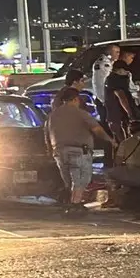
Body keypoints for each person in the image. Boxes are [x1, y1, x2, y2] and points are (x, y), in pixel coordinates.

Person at [44, 86, 115, 214]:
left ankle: (72, 201)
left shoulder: (53, 115)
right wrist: (111, 141)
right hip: (78, 151)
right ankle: (75, 204)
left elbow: (47, 134)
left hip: (59, 152)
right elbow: (97, 129)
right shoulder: (80, 113)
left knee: (69, 180)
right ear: (76, 99)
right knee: (81, 179)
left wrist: (50, 151)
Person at [105, 48, 138, 141]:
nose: (126, 73)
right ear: (118, 70)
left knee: (125, 137)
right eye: (124, 71)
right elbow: (121, 96)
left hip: (120, 115)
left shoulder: (120, 78)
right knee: (122, 140)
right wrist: (130, 113)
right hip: (116, 114)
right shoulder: (114, 80)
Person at [90, 44, 119, 126]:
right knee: (109, 124)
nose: (118, 54)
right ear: (109, 52)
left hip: (104, 98)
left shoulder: (107, 62)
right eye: (116, 52)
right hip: (104, 99)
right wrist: (105, 100)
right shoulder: (104, 64)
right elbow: (101, 83)